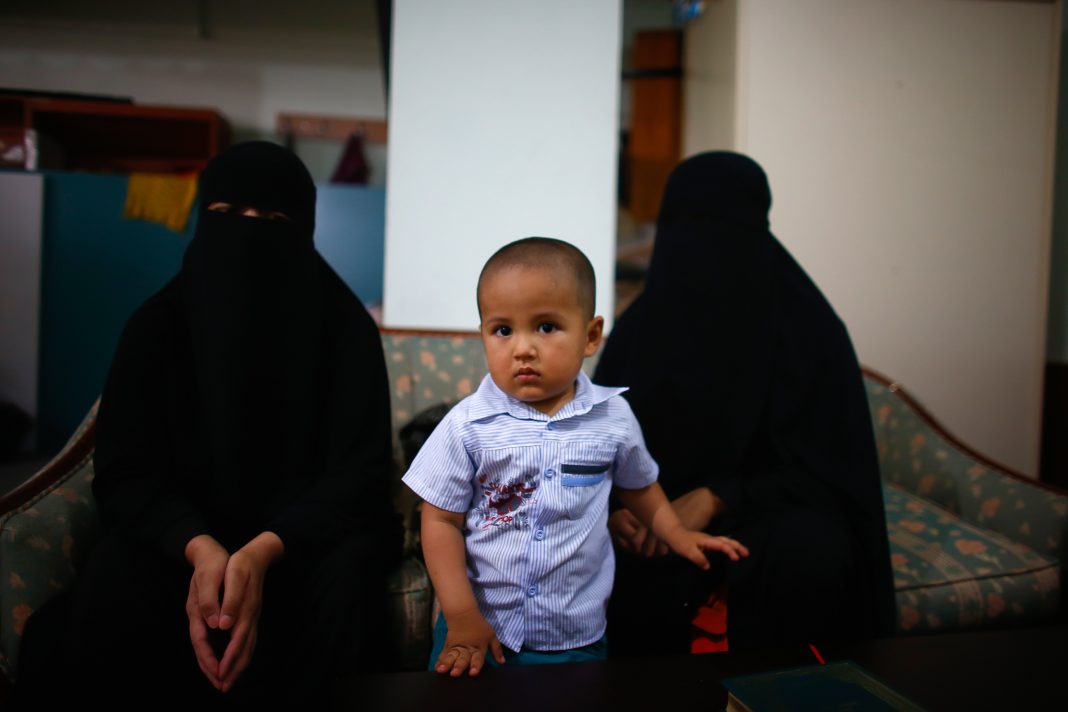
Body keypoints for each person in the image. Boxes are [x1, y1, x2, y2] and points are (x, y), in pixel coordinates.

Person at [15, 142, 400, 706]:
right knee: (113, 575)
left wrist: (263, 551)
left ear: (305, 231)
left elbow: (361, 476)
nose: (248, 237)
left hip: (303, 544)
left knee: (350, 579)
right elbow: (125, 473)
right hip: (184, 542)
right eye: (226, 217)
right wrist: (199, 548)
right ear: (202, 220)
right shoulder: (156, 327)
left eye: (272, 221)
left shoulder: (346, 332)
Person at [402, 237, 749, 678]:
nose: (522, 348)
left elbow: (638, 485)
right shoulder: (468, 424)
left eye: (546, 327)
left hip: (573, 635)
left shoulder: (614, 417)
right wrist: (461, 614)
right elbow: (440, 520)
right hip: (477, 631)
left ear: (590, 336)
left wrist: (676, 533)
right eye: (503, 330)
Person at [596, 152, 896, 655]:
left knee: (811, 550)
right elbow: (596, 442)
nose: (701, 249)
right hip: (654, 511)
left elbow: (830, 474)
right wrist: (615, 510)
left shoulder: (810, 331)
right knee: (603, 554)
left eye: (719, 226)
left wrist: (718, 496)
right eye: (686, 226)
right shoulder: (642, 328)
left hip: (769, 511)